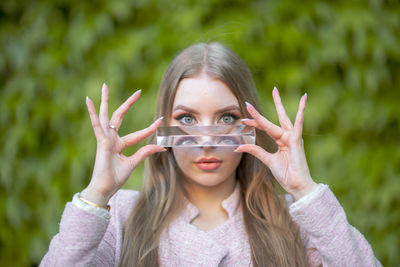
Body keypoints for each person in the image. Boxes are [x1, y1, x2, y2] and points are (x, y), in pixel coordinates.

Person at [40, 42, 381, 267]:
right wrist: (96, 196)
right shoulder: (120, 219)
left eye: (227, 118)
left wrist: (305, 190)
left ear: (251, 123)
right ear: (163, 125)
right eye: (186, 119)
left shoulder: (295, 221)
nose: (206, 143)